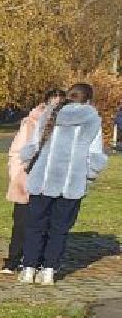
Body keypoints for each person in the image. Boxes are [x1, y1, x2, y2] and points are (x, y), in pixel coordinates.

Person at [16, 82, 107, 285]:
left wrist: (28, 163)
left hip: (42, 180)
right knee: (60, 228)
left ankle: (29, 267)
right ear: (89, 99)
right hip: (71, 183)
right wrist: (88, 176)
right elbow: (95, 154)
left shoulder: (51, 112)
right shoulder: (92, 119)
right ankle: (49, 270)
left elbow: (33, 145)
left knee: (35, 226)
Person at [1, 89, 62, 275]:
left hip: (50, 181)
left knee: (47, 223)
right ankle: (13, 260)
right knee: (21, 222)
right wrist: (16, 174)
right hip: (26, 179)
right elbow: (17, 151)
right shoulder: (31, 123)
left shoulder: (63, 126)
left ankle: (40, 261)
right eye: (53, 102)